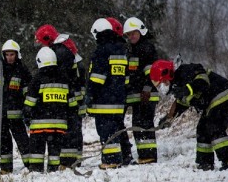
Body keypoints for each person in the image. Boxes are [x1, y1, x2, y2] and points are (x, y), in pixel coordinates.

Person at [151, 60, 228, 170]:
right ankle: (205, 163)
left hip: (224, 94)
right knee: (202, 129)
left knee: (214, 127)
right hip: (212, 102)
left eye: (163, 81)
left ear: (167, 73)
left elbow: (203, 82)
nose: (164, 84)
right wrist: (169, 118)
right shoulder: (177, 84)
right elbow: (182, 103)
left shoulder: (186, 70)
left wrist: (187, 89)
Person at [35, 25, 84, 168]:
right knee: (74, 126)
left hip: (70, 94)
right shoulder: (65, 47)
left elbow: (61, 75)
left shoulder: (60, 52)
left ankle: (69, 161)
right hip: (75, 92)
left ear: (47, 38)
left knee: (70, 127)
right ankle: (74, 159)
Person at [0, 40, 31, 174]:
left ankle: (31, 165)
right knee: (3, 141)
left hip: (16, 114)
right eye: (7, 55)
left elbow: (28, 90)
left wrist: (28, 108)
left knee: (22, 140)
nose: (9, 57)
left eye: (12, 55)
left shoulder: (22, 70)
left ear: (17, 54)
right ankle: (6, 168)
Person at [86, 18, 129, 169]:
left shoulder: (102, 51)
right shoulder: (121, 50)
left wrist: (90, 94)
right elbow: (126, 77)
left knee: (106, 132)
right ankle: (125, 156)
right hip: (118, 100)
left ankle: (111, 160)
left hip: (104, 100)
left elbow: (98, 77)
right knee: (118, 130)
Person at [23, 47, 70, 172]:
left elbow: (30, 102)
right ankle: (53, 170)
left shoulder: (37, 79)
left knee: (37, 152)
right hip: (58, 126)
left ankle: (36, 170)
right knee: (55, 152)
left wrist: (27, 117)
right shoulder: (64, 78)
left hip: (39, 126)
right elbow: (71, 103)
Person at [124, 17, 160, 164]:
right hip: (137, 96)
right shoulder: (132, 50)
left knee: (145, 125)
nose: (131, 36)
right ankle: (144, 156)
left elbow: (152, 73)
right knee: (138, 126)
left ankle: (149, 156)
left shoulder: (146, 48)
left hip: (146, 95)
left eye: (134, 33)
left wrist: (146, 89)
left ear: (141, 32)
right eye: (128, 34)